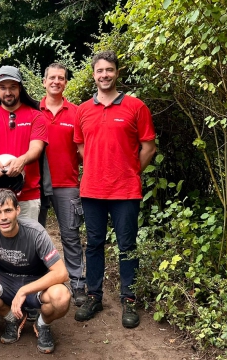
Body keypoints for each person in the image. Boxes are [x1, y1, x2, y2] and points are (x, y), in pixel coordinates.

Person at [73, 51, 156, 328]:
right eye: (100, 71)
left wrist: (130, 171)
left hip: (126, 191)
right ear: (94, 74)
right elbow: (81, 146)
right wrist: (99, 167)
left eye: (109, 70)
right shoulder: (83, 110)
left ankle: (129, 299)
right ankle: (94, 295)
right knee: (94, 244)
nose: (104, 75)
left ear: (117, 73)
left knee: (127, 246)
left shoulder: (136, 106)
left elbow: (148, 147)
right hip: (92, 190)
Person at [0, 189, 70, 354]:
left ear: (18, 210)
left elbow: (61, 273)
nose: (4, 217)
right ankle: (12, 317)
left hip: (35, 283)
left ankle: (43, 324)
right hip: (3, 281)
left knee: (62, 297)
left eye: (8, 210)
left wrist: (24, 290)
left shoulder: (35, 232)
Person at [0, 66, 48, 222]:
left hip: (27, 195)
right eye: (3, 87)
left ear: (20, 88)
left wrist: (22, 160)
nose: (8, 92)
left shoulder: (36, 116)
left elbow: (37, 148)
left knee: (27, 244)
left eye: (12, 87)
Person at [39, 63, 86, 307]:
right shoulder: (32, 111)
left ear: (66, 82)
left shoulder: (76, 113)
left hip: (67, 184)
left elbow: (82, 151)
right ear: (44, 82)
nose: (56, 81)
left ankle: (78, 283)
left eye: (61, 78)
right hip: (36, 185)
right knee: (33, 235)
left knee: (70, 235)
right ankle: (37, 282)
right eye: (52, 77)